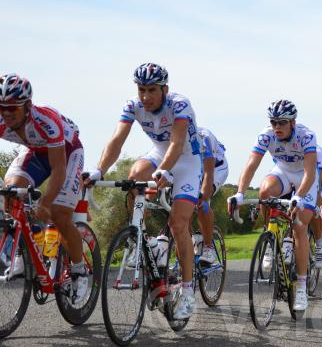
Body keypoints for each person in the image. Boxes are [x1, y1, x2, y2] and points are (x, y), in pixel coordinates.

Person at [86, 63, 201, 319]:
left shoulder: (179, 104)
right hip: (159, 154)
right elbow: (117, 141)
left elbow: (177, 142)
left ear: (164, 90)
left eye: (151, 90)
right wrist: (99, 170)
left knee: (178, 224)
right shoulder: (132, 105)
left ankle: (187, 292)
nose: (145, 96)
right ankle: (142, 240)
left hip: (187, 159)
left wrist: (165, 170)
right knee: (134, 177)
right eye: (141, 90)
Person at [0, 73, 89, 301]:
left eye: (13, 107)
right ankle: (23, 250)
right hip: (35, 152)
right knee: (11, 192)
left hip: (67, 153)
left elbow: (58, 168)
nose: (6, 113)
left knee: (59, 214)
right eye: (2, 107)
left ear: (28, 106)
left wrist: (46, 203)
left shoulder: (46, 120)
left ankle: (79, 270)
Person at [228, 99, 318, 311]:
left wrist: (299, 196)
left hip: (305, 177)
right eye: (273, 122)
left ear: (292, 122)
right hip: (283, 171)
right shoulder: (266, 135)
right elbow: (251, 164)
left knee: (299, 226)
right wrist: (240, 193)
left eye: (282, 122)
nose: (277, 126)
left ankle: (302, 286)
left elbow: (310, 172)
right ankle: (270, 238)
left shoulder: (306, 135)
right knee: (265, 191)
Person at [196, 127, 228, 265]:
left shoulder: (205, 138)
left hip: (216, 168)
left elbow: (209, 174)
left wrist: (203, 196)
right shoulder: (172, 135)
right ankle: (192, 240)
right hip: (195, 169)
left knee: (202, 202)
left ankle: (209, 247)